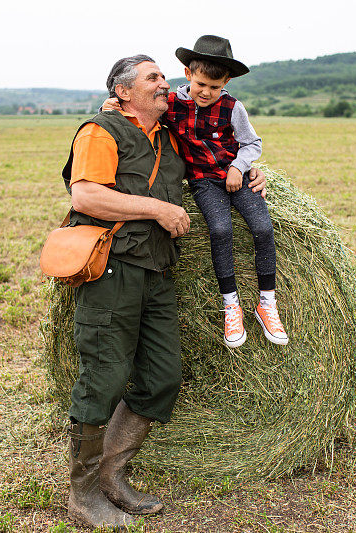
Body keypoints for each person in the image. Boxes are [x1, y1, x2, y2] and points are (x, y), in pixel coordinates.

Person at [60, 54, 266, 529]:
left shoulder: (171, 135)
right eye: (153, 77)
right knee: (104, 377)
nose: (165, 83)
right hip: (113, 269)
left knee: (162, 375)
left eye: (163, 77)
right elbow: (85, 195)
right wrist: (155, 209)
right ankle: (83, 494)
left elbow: (217, 157)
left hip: (158, 271)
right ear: (123, 91)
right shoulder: (101, 131)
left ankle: (112, 477)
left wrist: (251, 171)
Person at [104, 35, 288, 349]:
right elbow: (138, 113)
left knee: (262, 227)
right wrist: (110, 106)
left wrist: (241, 167)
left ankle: (266, 302)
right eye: (201, 84)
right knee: (219, 229)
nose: (206, 92)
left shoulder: (233, 107)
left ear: (226, 83)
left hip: (236, 178)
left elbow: (252, 143)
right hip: (203, 183)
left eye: (215, 87)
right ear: (188, 74)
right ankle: (232, 304)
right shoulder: (172, 104)